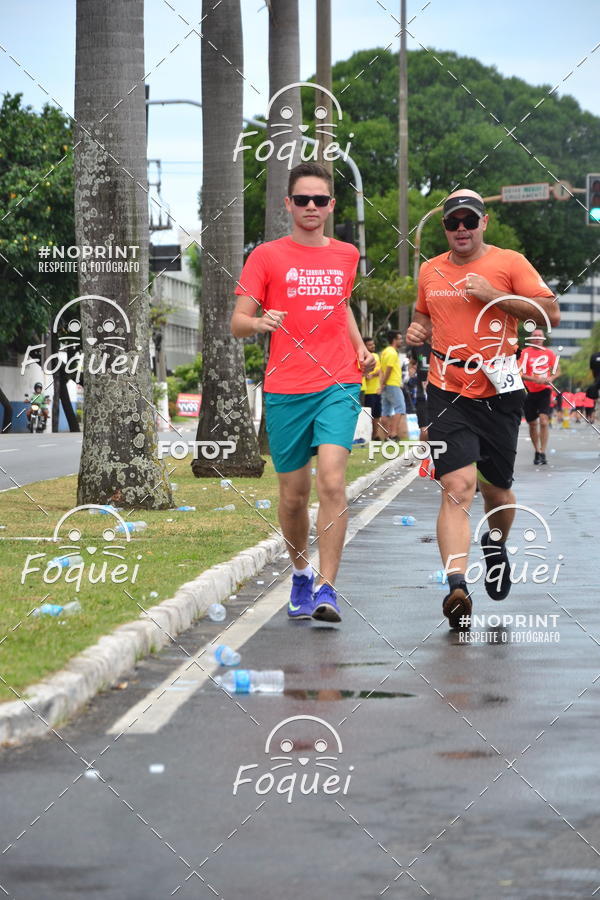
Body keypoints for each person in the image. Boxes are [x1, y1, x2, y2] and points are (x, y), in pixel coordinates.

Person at [406, 189, 559, 629]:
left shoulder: (510, 263)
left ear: (483, 222)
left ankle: (495, 544)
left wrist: (493, 294)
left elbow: (550, 315)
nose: (460, 230)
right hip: (444, 389)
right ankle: (457, 585)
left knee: (497, 492)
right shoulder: (429, 270)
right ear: (445, 227)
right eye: (452, 222)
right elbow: (425, 317)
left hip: (499, 390)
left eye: (469, 222)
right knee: (457, 485)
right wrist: (417, 330)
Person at [231, 162, 374, 624]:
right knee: (294, 495)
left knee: (332, 480)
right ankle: (299, 571)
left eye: (320, 200)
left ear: (332, 206)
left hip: (339, 380)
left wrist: (360, 348)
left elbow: (341, 307)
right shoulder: (267, 256)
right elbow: (237, 321)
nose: (311, 207)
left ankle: (328, 588)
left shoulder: (347, 254)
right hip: (286, 387)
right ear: (288, 204)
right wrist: (259, 322)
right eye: (302, 199)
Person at [519, 329, 559, 465]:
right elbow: (519, 372)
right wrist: (534, 379)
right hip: (529, 391)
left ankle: (542, 451)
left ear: (543, 339)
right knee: (532, 424)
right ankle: (536, 450)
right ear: (530, 338)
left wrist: (550, 378)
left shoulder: (549, 353)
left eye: (539, 336)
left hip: (544, 391)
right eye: (534, 336)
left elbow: (557, 371)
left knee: (543, 421)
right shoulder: (524, 353)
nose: (537, 338)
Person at [380, 330, 408, 440]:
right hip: (392, 384)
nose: (401, 341)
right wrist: (384, 382)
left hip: (386, 385)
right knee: (400, 408)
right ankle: (393, 434)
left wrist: (382, 384)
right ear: (394, 340)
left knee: (385, 411)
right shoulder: (392, 352)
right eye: (400, 338)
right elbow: (389, 369)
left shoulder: (384, 352)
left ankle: (387, 436)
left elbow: (382, 370)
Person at [361, 336, 382, 440]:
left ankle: (375, 435)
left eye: (373, 344)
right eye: (370, 345)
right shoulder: (362, 356)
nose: (373, 346)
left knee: (377, 414)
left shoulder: (375, 356)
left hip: (376, 390)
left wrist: (371, 374)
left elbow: (379, 370)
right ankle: (366, 435)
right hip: (367, 390)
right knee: (367, 415)